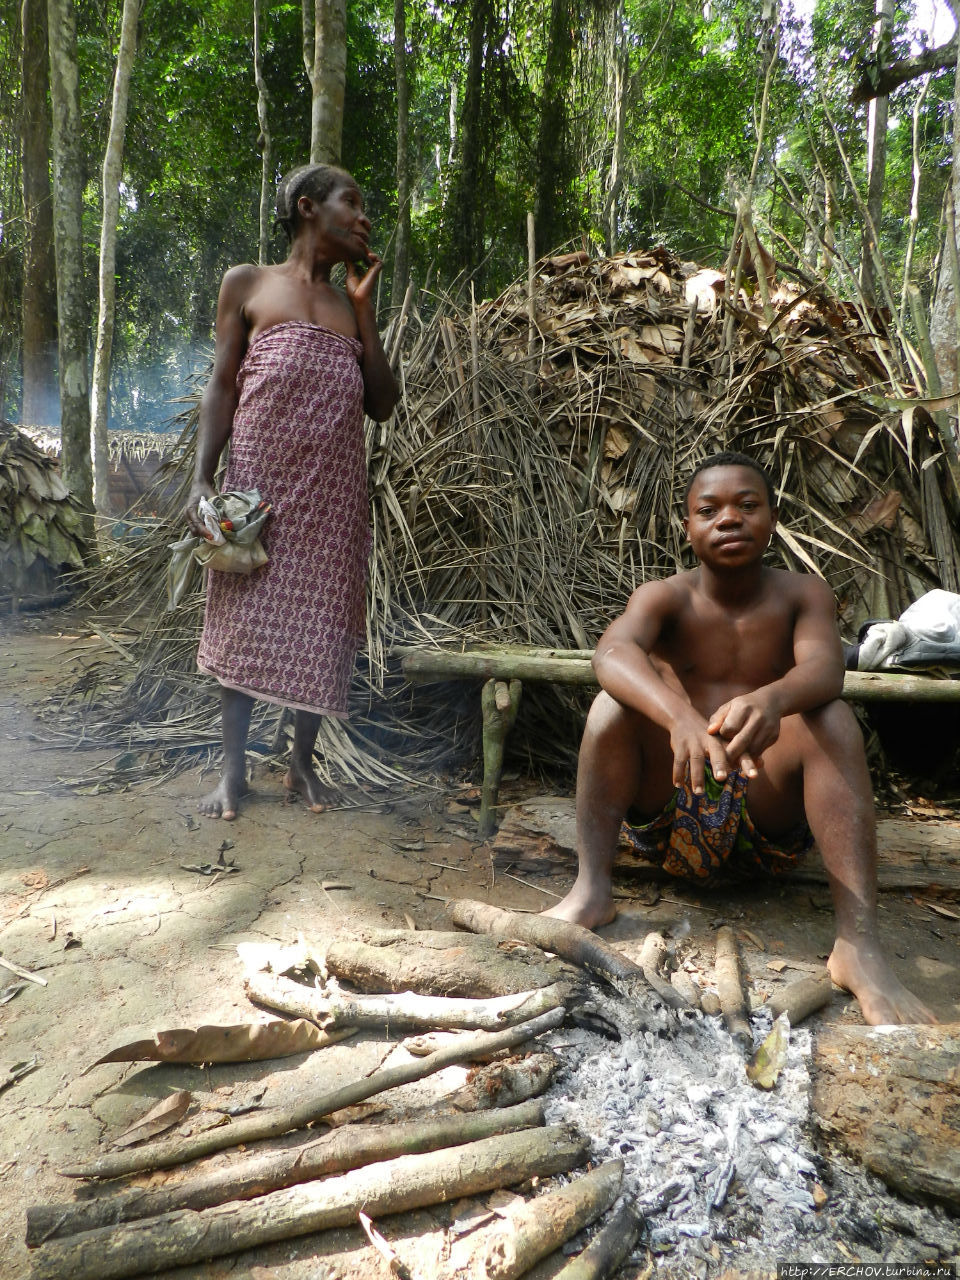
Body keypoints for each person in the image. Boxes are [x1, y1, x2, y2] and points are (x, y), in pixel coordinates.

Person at [546, 451, 935, 1026]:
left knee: (831, 718)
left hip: (768, 823)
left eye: (747, 505)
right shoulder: (664, 597)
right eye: (710, 510)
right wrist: (679, 717)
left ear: (772, 518)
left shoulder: (803, 594)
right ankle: (591, 889)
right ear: (688, 528)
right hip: (671, 814)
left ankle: (858, 947)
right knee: (610, 708)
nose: (729, 519)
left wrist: (772, 699)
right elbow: (612, 653)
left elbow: (826, 669)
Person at [184, 164, 398, 821]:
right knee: (244, 623)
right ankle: (233, 771)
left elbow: (383, 405)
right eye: (351, 202)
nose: (364, 217)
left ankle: (300, 762)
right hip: (256, 491)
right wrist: (201, 477)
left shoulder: (347, 305)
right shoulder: (248, 285)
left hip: (331, 502)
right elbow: (223, 386)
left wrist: (365, 317)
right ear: (308, 208)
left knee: (322, 631)